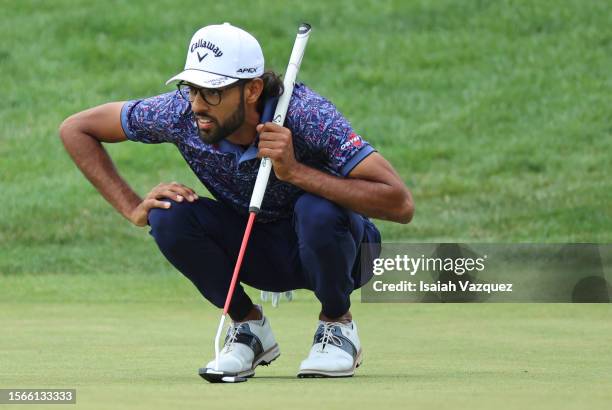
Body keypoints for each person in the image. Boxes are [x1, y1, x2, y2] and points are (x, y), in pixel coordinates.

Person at [59, 22, 414, 379]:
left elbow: (400, 204)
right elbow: (76, 129)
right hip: (256, 250)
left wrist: (296, 172)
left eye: (212, 92)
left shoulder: (308, 115)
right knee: (169, 215)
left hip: (345, 252)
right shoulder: (179, 113)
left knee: (315, 208)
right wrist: (132, 207)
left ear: (252, 90)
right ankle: (248, 329)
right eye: (192, 89)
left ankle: (337, 326)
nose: (197, 104)